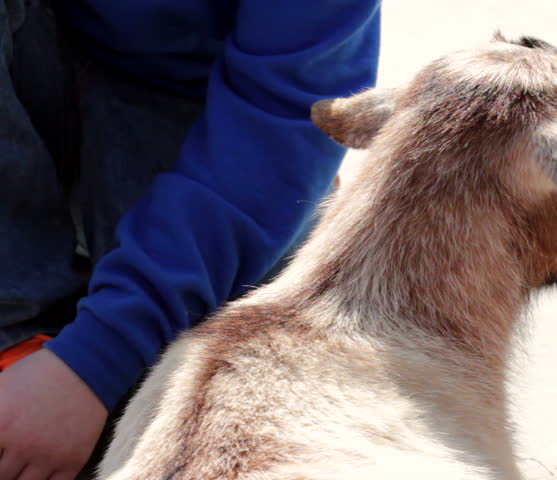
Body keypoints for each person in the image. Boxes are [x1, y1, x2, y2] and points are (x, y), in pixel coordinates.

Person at [0, 0, 381, 478]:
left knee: (218, 414)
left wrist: (92, 363)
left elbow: (279, 119)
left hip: (211, 122)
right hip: (42, 54)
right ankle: (19, 353)